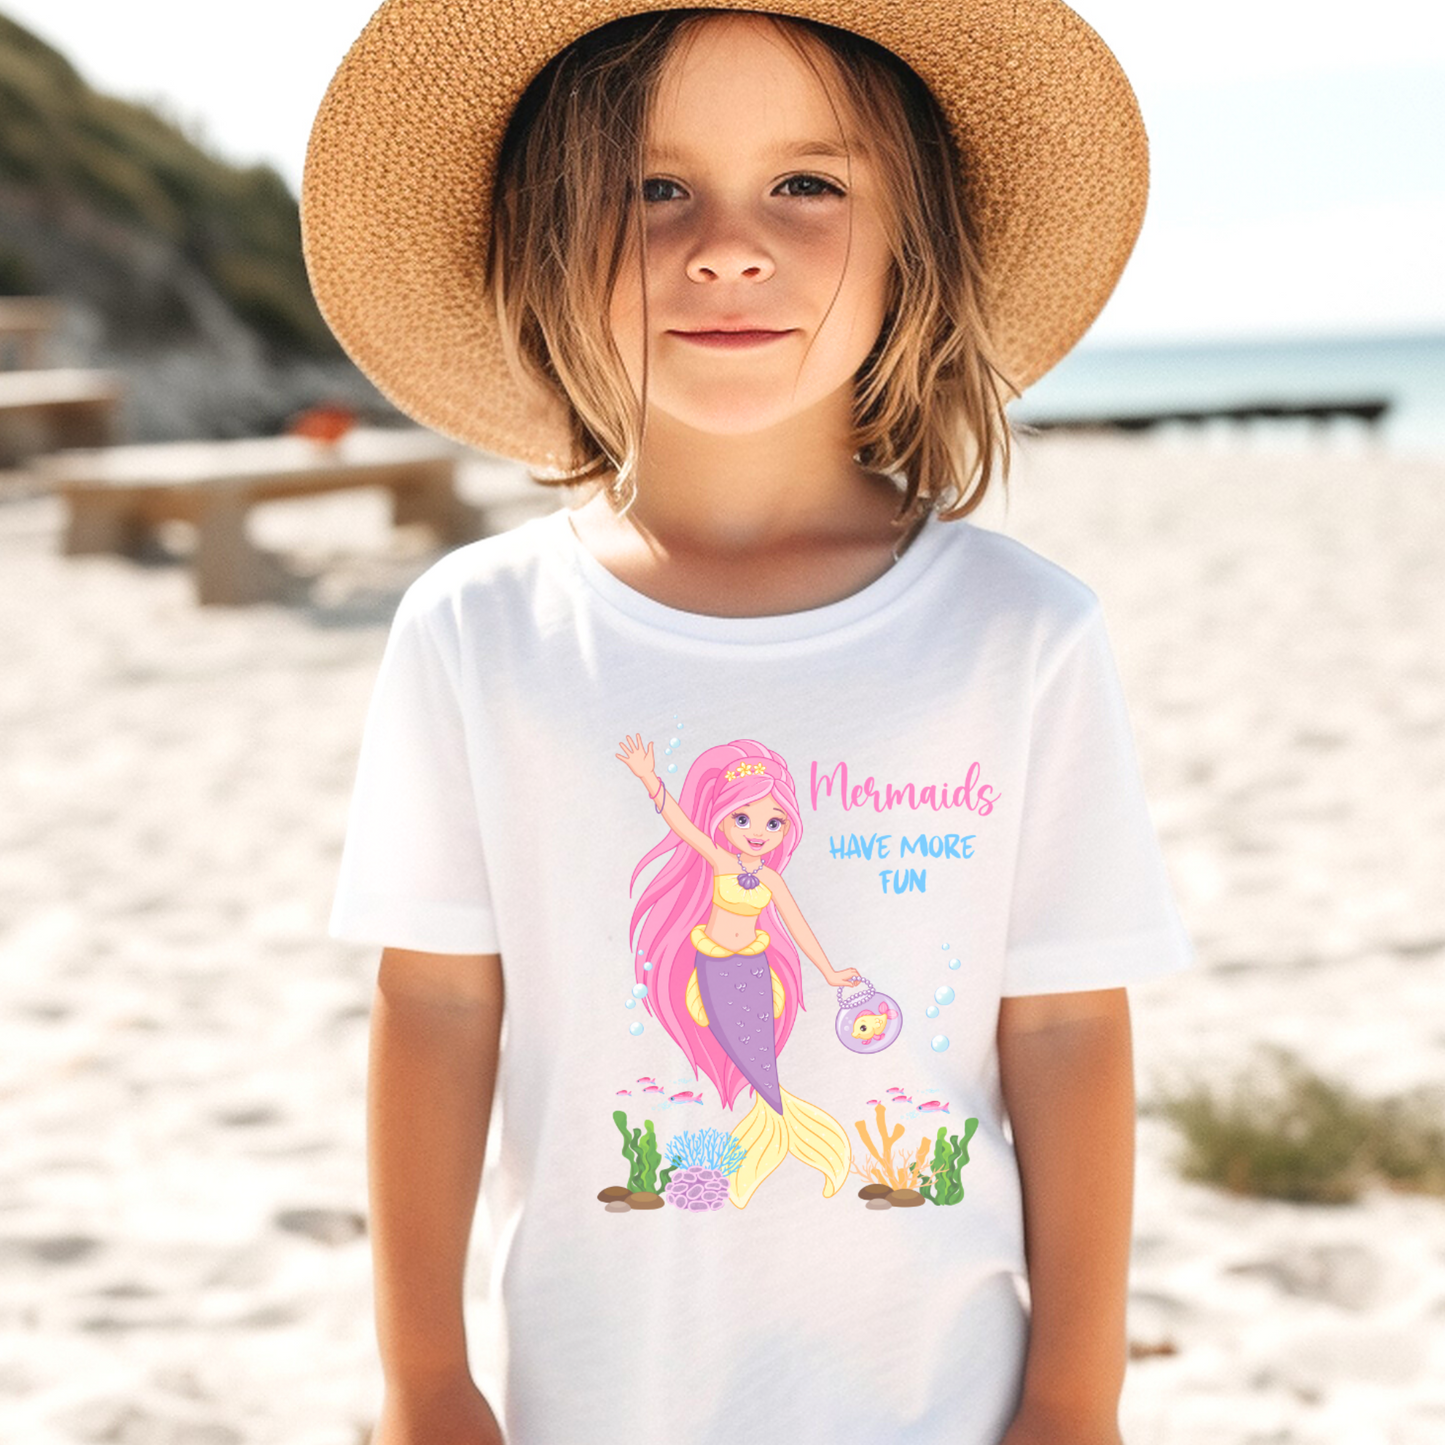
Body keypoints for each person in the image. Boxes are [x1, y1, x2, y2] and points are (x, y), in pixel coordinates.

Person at [309, 5, 1194, 1445]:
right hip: (596, 1399)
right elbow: (441, 1004)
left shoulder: (1022, 634)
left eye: (809, 184)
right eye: (653, 189)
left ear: (921, 241)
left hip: (945, 1404)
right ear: (541, 239)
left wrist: (1077, 1400)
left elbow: (1071, 1031)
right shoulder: (478, 632)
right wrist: (422, 1381)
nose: (727, 247)